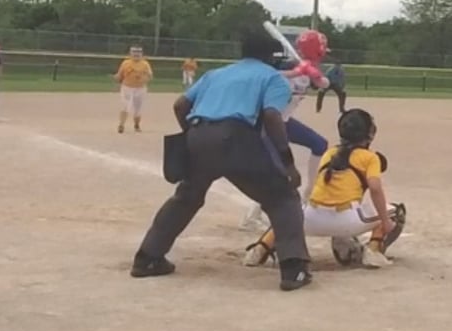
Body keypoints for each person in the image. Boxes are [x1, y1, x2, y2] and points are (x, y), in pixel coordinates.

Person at [132, 28, 314, 290]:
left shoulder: (215, 74)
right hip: (236, 137)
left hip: (198, 135)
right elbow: (272, 116)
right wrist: (287, 163)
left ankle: (147, 258)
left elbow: (180, 105)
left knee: (187, 196)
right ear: (271, 57)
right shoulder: (272, 77)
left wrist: (194, 136)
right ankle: (294, 270)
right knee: (283, 198)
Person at [244, 108, 408, 270]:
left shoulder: (330, 153)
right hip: (346, 219)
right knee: (396, 212)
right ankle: (374, 250)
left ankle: (261, 248)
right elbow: (375, 188)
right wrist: (385, 221)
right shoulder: (370, 157)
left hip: (311, 218)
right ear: (369, 134)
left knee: (289, 215)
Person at [236, 32, 331, 236]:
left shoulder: (311, 69)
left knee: (320, 144)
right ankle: (251, 217)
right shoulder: (285, 65)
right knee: (277, 172)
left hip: (285, 122)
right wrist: (295, 72)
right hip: (268, 123)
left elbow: (325, 84)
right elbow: (266, 76)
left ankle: (308, 196)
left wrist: (313, 74)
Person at [114, 45, 154, 133]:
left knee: (137, 110)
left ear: (142, 54)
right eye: (134, 52)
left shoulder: (145, 64)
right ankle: (121, 125)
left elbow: (150, 76)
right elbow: (120, 75)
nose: (136, 54)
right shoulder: (125, 63)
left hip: (140, 89)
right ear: (130, 53)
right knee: (125, 106)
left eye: (139, 52)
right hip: (127, 88)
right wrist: (117, 78)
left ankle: (136, 124)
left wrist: (144, 79)